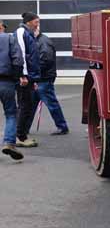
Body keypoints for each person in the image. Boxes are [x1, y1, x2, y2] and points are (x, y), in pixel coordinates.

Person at [32, 25, 69, 135]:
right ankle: (23, 129)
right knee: (30, 105)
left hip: (43, 79)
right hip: (40, 79)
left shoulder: (43, 42)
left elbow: (46, 60)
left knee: (51, 104)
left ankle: (62, 127)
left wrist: (33, 72)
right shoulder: (41, 41)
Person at [15, 12, 41, 148]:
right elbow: (21, 55)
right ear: (29, 22)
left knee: (28, 106)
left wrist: (34, 80)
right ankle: (20, 137)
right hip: (24, 77)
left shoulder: (30, 34)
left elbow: (33, 58)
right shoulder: (21, 32)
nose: (38, 25)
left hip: (29, 77)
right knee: (24, 106)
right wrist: (23, 75)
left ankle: (22, 135)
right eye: (36, 22)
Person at [0, 21, 24, 160]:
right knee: (10, 114)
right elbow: (18, 59)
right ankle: (9, 143)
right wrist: (18, 77)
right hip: (5, 81)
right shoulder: (9, 38)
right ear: (1, 27)